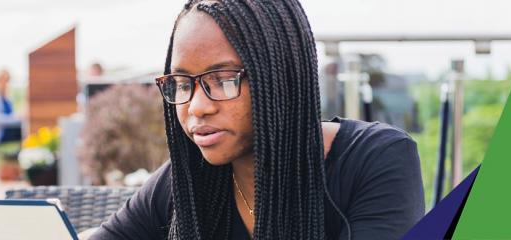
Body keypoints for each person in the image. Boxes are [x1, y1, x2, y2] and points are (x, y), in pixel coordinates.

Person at [91, 0, 424, 239]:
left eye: (222, 79)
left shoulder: (376, 160)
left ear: (280, 77)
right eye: (182, 83)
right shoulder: (186, 181)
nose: (197, 107)